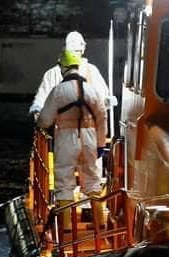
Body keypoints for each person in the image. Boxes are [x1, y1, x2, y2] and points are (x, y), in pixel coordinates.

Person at [37, 49, 108, 231]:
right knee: (93, 180)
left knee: (64, 181)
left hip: (66, 138)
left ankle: (66, 225)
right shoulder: (92, 91)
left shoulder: (58, 91)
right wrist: (100, 144)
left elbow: (45, 120)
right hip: (90, 139)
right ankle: (100, 222)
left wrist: (41, 122)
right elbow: (102, 119)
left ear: (64, 68)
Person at [29, 31, 113, 117]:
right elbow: (42, 98)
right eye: (71, 50)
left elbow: (100, 97)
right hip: (61, 125)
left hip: (87, 124)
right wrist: (38, 108)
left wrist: (106, 100)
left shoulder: (91, 71)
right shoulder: (53, 73)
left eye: (76, 51)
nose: (74, 54)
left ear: (82, 50)